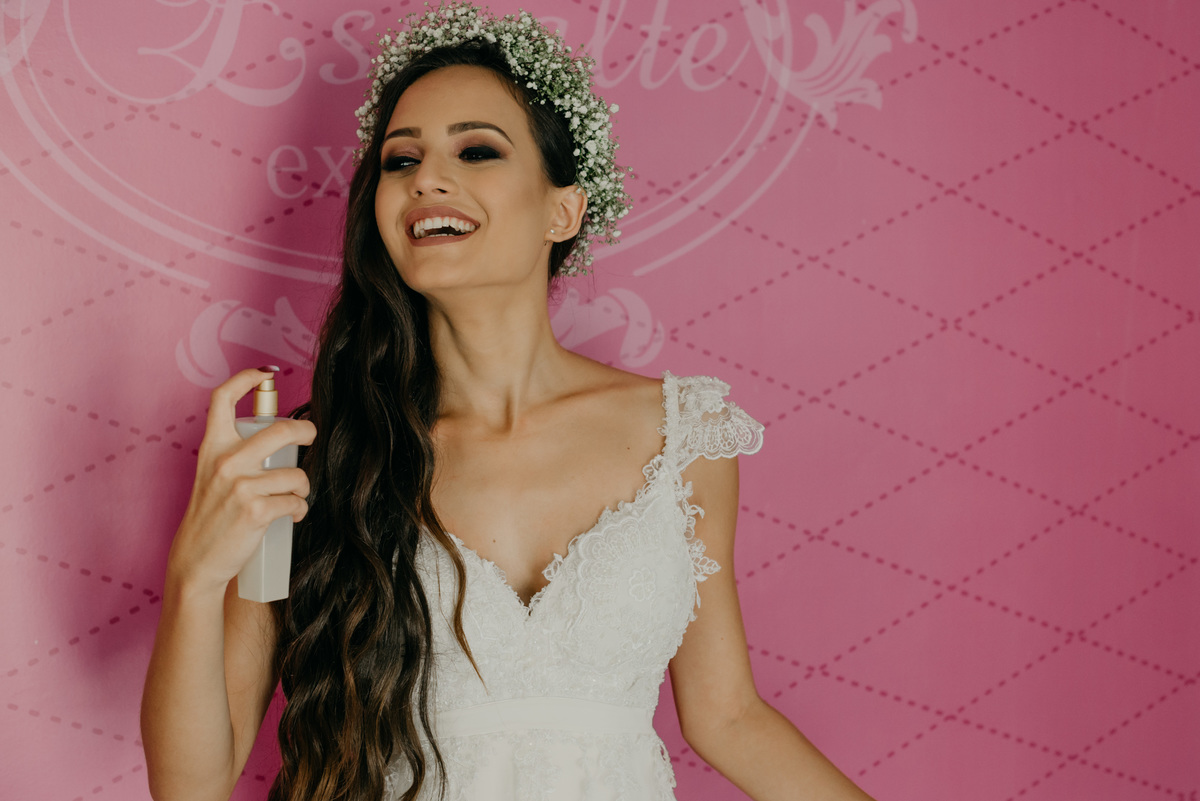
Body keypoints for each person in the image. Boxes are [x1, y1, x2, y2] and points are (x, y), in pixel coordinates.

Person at [141, 4, 877, 800]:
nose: (426, 178)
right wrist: (195, 572)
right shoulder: (314, 457)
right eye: (400, 159)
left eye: (477, 149)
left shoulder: (682, 436)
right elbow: (192, 784)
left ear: (564, 209)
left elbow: (728, 715)